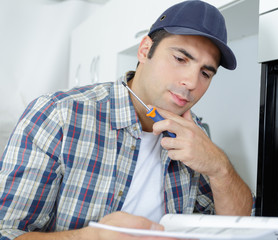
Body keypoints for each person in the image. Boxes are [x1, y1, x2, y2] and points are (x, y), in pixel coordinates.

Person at [0, 1, 253, 239]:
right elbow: (6, 232)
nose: (192, 82)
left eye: (206, 73)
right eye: (180, 59)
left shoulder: (194, 134)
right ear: (145, 50)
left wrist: (219, 167)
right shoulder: (59, 115)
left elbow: (237, 227)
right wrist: (93, 236)